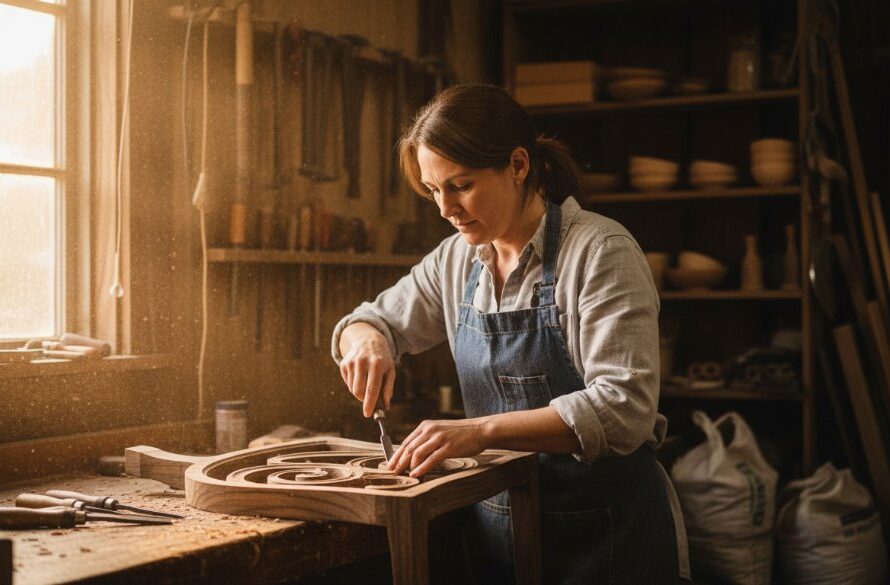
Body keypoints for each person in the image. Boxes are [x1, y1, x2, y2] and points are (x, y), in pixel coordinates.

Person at [332, 83, 689, 584]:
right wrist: (370, 339)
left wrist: (479, 432)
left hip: (607, 537)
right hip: (502, 533)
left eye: (461, 185)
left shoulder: (600, 251)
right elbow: (368, 320)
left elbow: (624, 407)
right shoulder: (456, 259)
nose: (445, 209)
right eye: (434, 190)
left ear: (518, 165)